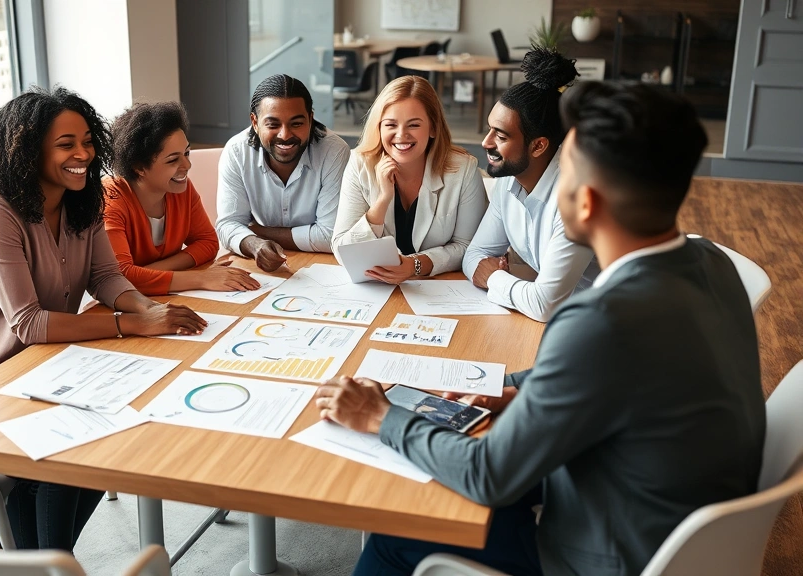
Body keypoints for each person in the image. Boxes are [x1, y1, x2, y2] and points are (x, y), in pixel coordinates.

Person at [315, 82, 765, 576]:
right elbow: (617, 373)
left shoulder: (600, 322)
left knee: (395, 531)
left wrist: (380, 416)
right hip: (672, 519)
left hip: (605, 552)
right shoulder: (711, 263)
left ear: (586, 203)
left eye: (562, 174)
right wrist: (502, 387)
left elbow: (488, 476)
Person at [0, 87, 207, 552]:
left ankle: (31, 550)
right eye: (66, 145)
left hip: (50, 363)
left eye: (87, 140)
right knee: (72, 447)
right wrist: (130, 325)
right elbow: (28, 323)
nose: (83, 154)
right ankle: (48, 558)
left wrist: (148, 308)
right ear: (28, 150)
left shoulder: (82, 200)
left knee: (114, 434)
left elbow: (105, 276)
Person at [462, 47, 598, 322]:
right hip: (570, 319)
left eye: (500, 135)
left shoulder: (575, 197)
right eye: (489, 130)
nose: (486, 142)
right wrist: (512, 286)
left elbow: (545, 305)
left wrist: (495, 278)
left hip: (612, 324)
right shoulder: (508, 181)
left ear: (538, 146)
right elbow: (474, 255)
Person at [332, 75, 487, 283]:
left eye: (413, 125)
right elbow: (342, 250)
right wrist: (382, 201)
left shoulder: (464, 170)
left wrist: (415, 265)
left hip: (437, 286)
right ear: (379, 127)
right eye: (390, 125)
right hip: (376, 287)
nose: (401, 135)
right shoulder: (360, 163)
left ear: (433, 128)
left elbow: (468, 246)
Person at [103, 101, 260, 296]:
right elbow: (119, 278)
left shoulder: (179, 188)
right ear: (138, 167)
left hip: (161, 298)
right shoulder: (111, 199)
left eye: (186, 153)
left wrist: (151, 272)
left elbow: (208, 243)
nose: (187, 164)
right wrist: (201, 278)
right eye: (173, 160)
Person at [215, 74, 350, 272]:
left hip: (323, 267)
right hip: (262, 268)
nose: (285, 135)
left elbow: (331, 236)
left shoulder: (334, 151)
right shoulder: (236, 151)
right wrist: (255, 244)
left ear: (310, 119)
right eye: (273, 124)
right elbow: (227, 226)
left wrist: (256, 232)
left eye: (296, 123)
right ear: (255, 122)